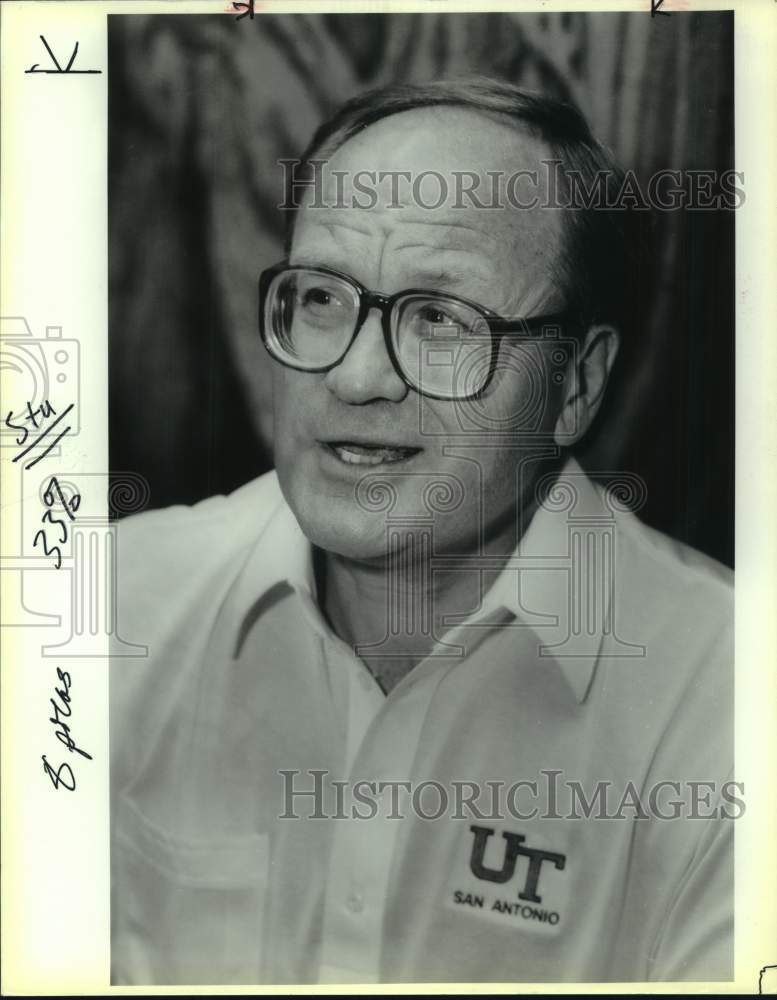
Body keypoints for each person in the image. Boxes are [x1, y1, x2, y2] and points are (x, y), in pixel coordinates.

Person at [110, 77, 734, 985]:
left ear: (574, 387)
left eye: (441, 319)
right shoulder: (105, 615)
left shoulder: (727, 708)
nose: (358, 377)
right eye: (322, 298)